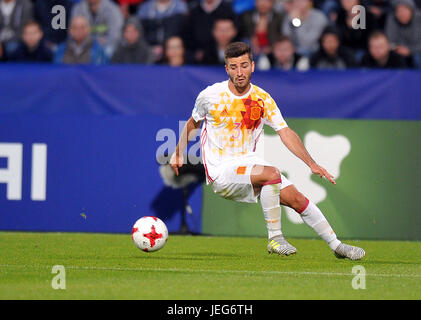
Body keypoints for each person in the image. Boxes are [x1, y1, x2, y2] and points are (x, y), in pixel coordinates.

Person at [170, 41, 365, 260]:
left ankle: (336, 245)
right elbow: (193, 123)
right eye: (233, 67)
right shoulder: (210, 96)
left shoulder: (262, 99)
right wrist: (179, 152)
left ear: (253, 66)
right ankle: (275, 238)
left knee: (297, 199)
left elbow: (285, 132)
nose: (239, 72)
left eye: (244, 65)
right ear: (226, 69)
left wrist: (311, 163)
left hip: (249, 166)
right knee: (271, 173)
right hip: (221, 172)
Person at [385, 0, 421, 68]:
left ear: (411, 10)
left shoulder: (419, 19)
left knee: (418, 58)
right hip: (399, 50)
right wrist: (397, 48)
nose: (402, 14)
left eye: (405, 10)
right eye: (399, 11)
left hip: (417, 51)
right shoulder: (392, 19)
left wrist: (410, 50)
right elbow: (390, 40)